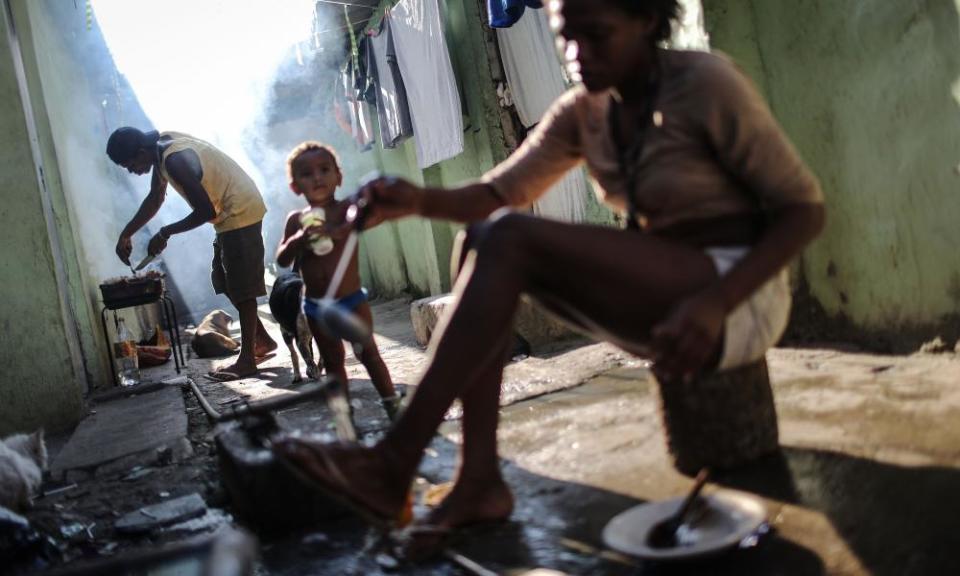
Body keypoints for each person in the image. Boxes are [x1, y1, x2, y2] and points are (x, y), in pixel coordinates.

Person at [272, 0, 826, 549]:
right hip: (660, 299)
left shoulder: (705, 83)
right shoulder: (582, 111)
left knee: (506, 236)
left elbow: (802, 210)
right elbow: (495, 193)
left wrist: (714, 303)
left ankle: (395, 460)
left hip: (734, 300)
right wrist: (415, 200)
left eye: (597, 34)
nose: (577, 53)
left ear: (648, 20)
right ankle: (479, 480)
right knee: (476, 243)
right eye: (566, 36)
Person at [107, 128, 277, 381]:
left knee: (243, 288)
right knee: (222, 279)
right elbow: (156, 198)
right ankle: (260, 340)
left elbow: (205, 211)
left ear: (141, 152)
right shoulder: (160, 148)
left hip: (239, 210)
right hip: (229, 213)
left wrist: (165, 233)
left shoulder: (173, 159)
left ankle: (248, 361)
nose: (131, 171)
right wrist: (126, 233)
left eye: (130, 164)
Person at [275, 142, 401, 418]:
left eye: (324, 169)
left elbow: (377, 215)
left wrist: (340, 229)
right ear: (296, 186)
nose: (317, 177)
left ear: (338, 177)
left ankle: (392, 404)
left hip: (351, 300)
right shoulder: (296, 220)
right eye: (307, 174)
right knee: (333, 363)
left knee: (368, 354)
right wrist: (297, 241)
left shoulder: (347, 209)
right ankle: (344, 419)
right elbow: (282, 260)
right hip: (316, 307)